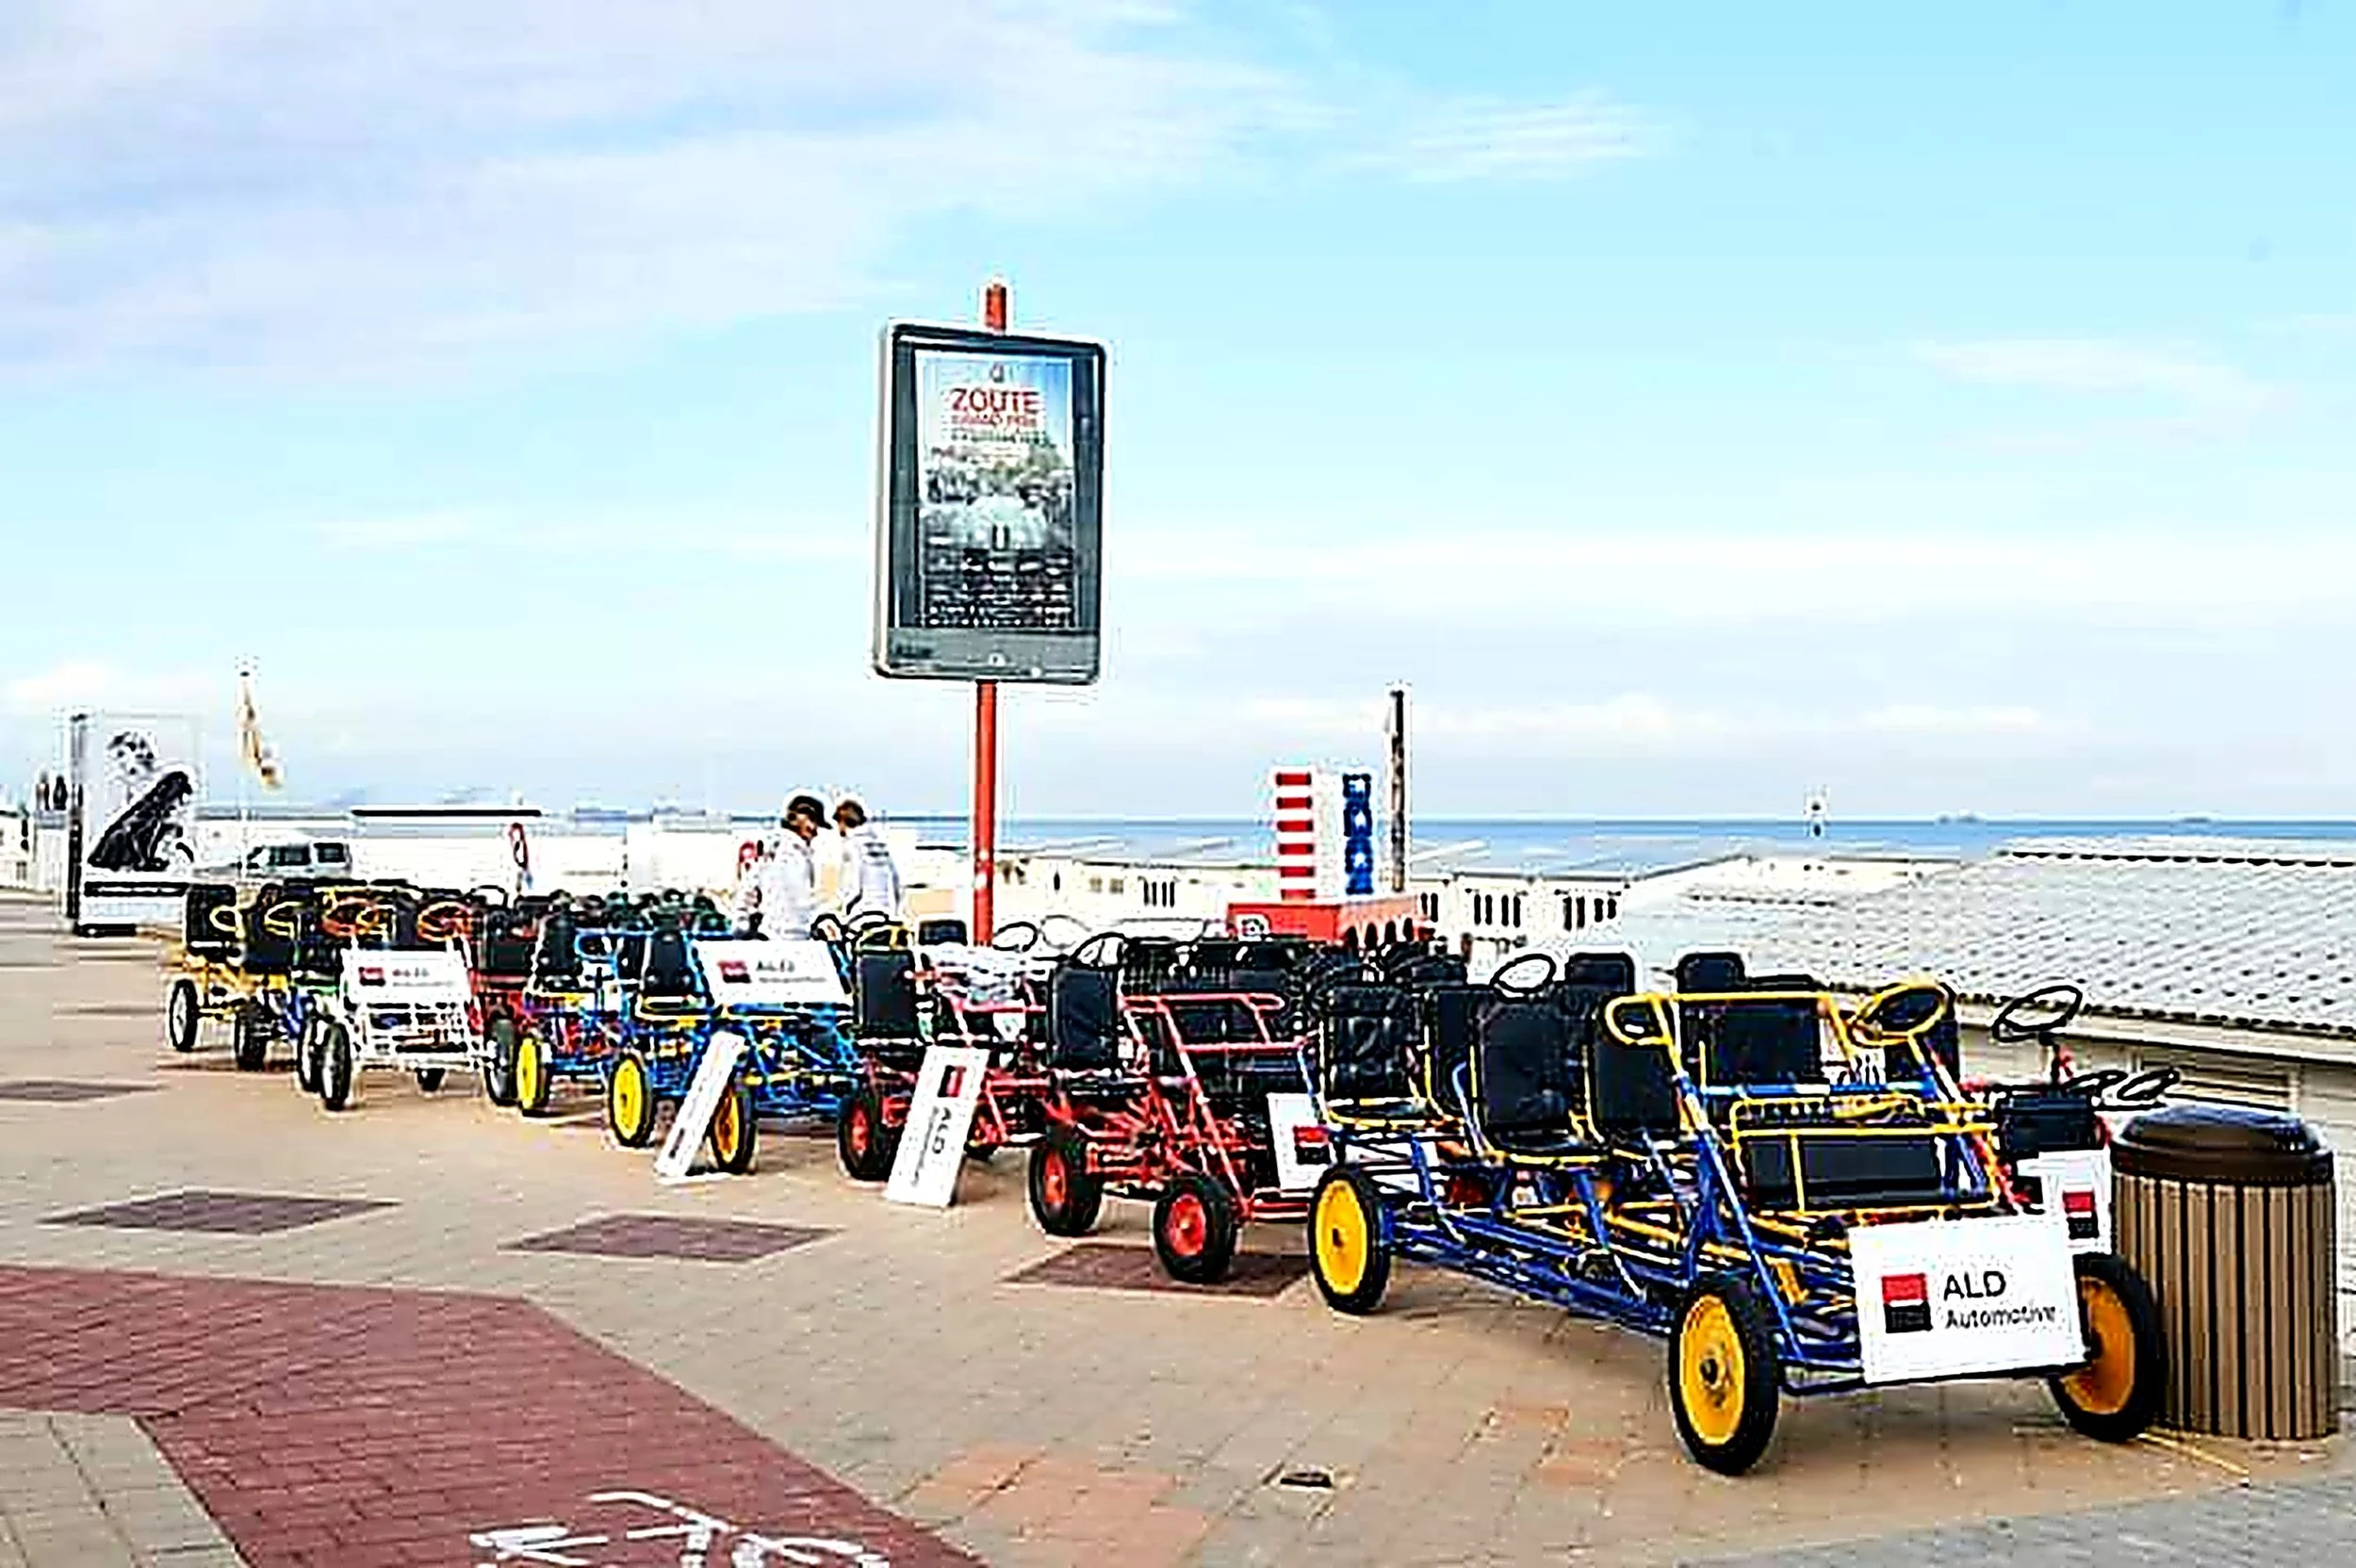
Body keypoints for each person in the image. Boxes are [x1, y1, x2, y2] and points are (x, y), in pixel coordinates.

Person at [757, 794, 826, 940]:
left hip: (770, 932)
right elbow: (800, 898)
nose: (815, 830)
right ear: (796, 818)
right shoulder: (793, 852)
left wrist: (740, 927)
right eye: (812, 821)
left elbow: (750, 887)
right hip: (792, 935)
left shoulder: (772, 848)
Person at [833, 796, 905, 923]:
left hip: (862, 914)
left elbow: (854, 888)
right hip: (886, 912)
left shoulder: (852, 844)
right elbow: (897, 880)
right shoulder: (881, 843)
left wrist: (842, 910)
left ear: (842, 821)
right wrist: (895, 911)